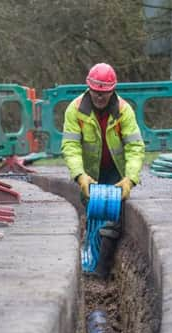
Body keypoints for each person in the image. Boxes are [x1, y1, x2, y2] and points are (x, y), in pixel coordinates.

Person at [61, 62, 145, 278]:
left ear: (112, 90)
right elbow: (71, 147)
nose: (100, 97)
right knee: (92, 213)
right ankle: (90, 260)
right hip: (90, 174)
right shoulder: (75, 110)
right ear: (89, 88)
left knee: (113, 218)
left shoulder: (124, 111)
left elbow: (135, 147)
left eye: (105, 93)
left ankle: (101, 271)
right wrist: (80, 176)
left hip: (116, 171)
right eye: (96, 92)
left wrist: (130, 179)